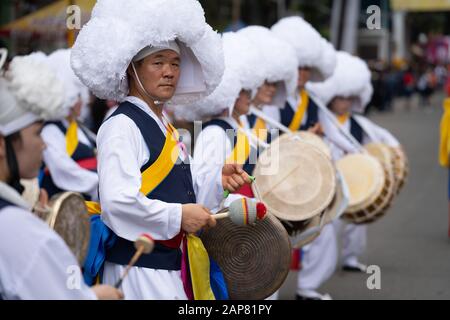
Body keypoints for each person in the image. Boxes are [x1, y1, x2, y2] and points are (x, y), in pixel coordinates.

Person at [71, 0, 248, 300]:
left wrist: (217, 179)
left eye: (175, 63)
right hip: (139, 269)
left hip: (167, 266)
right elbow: (117, 203)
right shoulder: (121, 126)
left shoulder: (163, 124)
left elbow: (182, 191)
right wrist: (178, 217)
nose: (169, 72)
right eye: (158, 62)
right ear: (132, 68)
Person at [0, 52, 122, 300]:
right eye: (37, 134)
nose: (43, 145)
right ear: (2, 146)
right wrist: (97, 296)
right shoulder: (12, 224)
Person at [309, 51, 401, 276]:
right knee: (327, 227)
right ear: (332, 98)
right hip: (330, 180)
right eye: (342, 98)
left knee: (357, 224)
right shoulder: (321, 121)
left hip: (355, 180)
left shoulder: (360, 123)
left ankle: (351, 257)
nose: (345, 103)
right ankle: (312, 273)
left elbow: (382, 137)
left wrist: (394, 149)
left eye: (350, 98)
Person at [37, 49, 98, 201]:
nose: (82, 101)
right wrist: (99, 184)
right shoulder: (50, 130)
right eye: (78, 95)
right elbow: (62, 170)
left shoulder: (78, 127)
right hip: (68, 203)